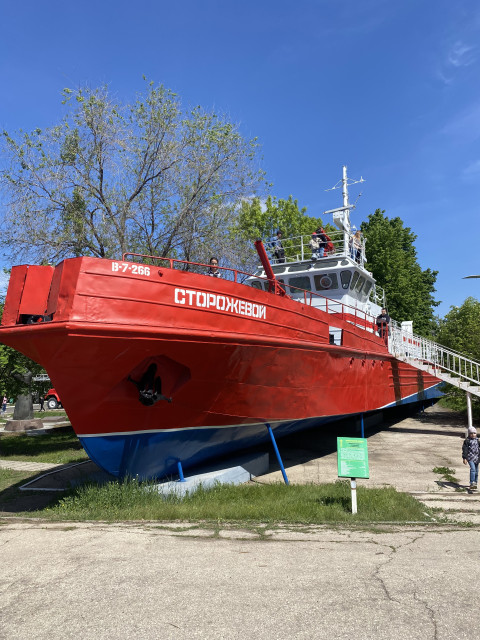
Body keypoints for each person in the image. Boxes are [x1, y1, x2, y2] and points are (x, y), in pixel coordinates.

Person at [462, 426, 479, 490]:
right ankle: (472, 482)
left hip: (477, 458)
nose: (473, 435)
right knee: (473, 469)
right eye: (471, 433)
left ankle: (475, 483)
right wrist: (464, 458)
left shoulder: (477, 440)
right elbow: (465, 449)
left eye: (474, 433)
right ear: (469, 434)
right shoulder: (467, 441)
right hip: (470, 458)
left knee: (477, 471)